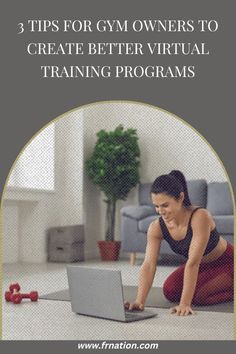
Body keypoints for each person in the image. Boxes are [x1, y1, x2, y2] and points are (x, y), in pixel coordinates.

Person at [124, 170, 234, 316]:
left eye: (165, 205)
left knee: (199, 296)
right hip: (202, 265)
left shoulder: (200, 217)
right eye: (156, 206)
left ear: (180, 197)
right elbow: (149, 264)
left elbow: (193, 263)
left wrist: (184, 304)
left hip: (227, 261)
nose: (160, 211)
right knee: (170, 290)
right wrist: (139, 301)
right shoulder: (156, 227)